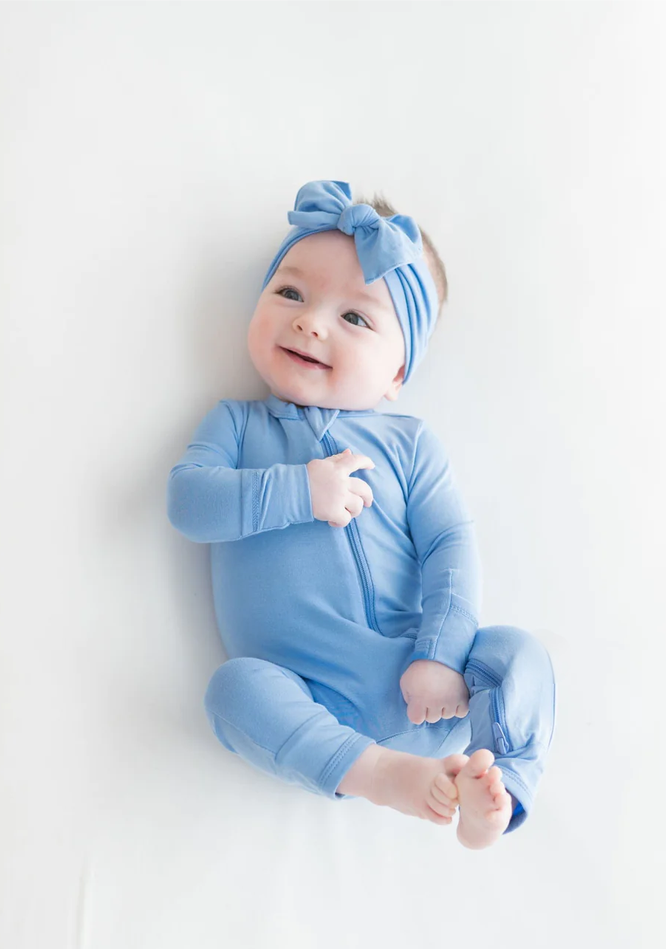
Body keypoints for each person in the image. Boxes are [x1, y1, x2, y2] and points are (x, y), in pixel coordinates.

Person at [167, 180, 556, 848]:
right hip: (310, 702)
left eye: (355, 317)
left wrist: (442, 653)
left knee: (518, 654)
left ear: (397, 373)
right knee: (233, 692)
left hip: (431, 691)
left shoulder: (409, 444)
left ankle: (500, 785)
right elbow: (189, 503)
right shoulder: (236, 425)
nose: (311, 322)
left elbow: (450, 546)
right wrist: (298, 491)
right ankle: (380, 774)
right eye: (290, 293)